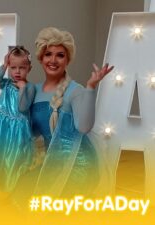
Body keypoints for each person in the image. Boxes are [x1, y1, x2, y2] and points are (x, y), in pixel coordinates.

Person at [11, 27, 113, 204]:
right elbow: (32, 132)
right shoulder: (32, 90)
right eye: (48, 54)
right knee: (21, 192)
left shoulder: (76, 90)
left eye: (60, 55)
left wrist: (90, 87)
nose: (53, 60)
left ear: (67, 60)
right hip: (54, 162)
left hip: (79, 163)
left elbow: (84, 127)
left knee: (49, 203)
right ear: (41, 58)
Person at [0, 46, 36, 192]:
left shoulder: (30, 87)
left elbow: (23, 108)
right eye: (13, 68)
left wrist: (22, 89)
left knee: (14, 157)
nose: (17, 72)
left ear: (29, 69)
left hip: (17, 129)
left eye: (22, 68)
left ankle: (12, 187)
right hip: (0, 125)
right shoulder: (6, 83)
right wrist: (4, 64)